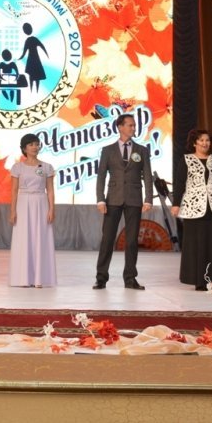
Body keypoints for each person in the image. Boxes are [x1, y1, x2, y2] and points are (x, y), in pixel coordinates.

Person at [171, 130, 212, 290]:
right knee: (196, 244)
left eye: (207, 140)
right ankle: (199, 280)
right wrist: (176, 204)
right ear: (194, 143)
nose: (205, 143)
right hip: (194, 207)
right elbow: (179, 183)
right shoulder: (187, 160)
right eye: (201, 140)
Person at [94, 113, 153, 290]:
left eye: (134, 125)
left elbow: (147, 175)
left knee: (132, 241)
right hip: (113, 199)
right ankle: (101, 278)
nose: (133, 128)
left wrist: (148, 199)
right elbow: (101, 176)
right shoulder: (108, 150)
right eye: (130, 125)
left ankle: (130, 278)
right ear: (120, 127)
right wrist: (100, 199)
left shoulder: (142, 150)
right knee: (107, 239)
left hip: (134, 199)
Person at [8, 133, 56, 287]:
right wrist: (13, 211)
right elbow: (14, 190)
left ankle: (39, 279)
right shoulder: (17, 167)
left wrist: (51, 209)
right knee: (24, 239)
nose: (35, 147)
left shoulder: (46, 167)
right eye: (31, 145)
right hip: (23, 204)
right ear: (24, 148)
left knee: (40, 238)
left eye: (36, 144)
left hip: (41, 203)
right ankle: (23, 278)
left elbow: (50, 190)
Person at [17, 23, 48, 92]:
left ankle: (33, 90)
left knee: (32, 74)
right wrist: (46, 54)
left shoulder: (28, 40)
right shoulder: (33, 39)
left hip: (31, 59)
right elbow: (42, 46)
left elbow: (24, 52)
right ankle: (35, 90)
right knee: (36, 75)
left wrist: (20, 58)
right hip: (35, 58)